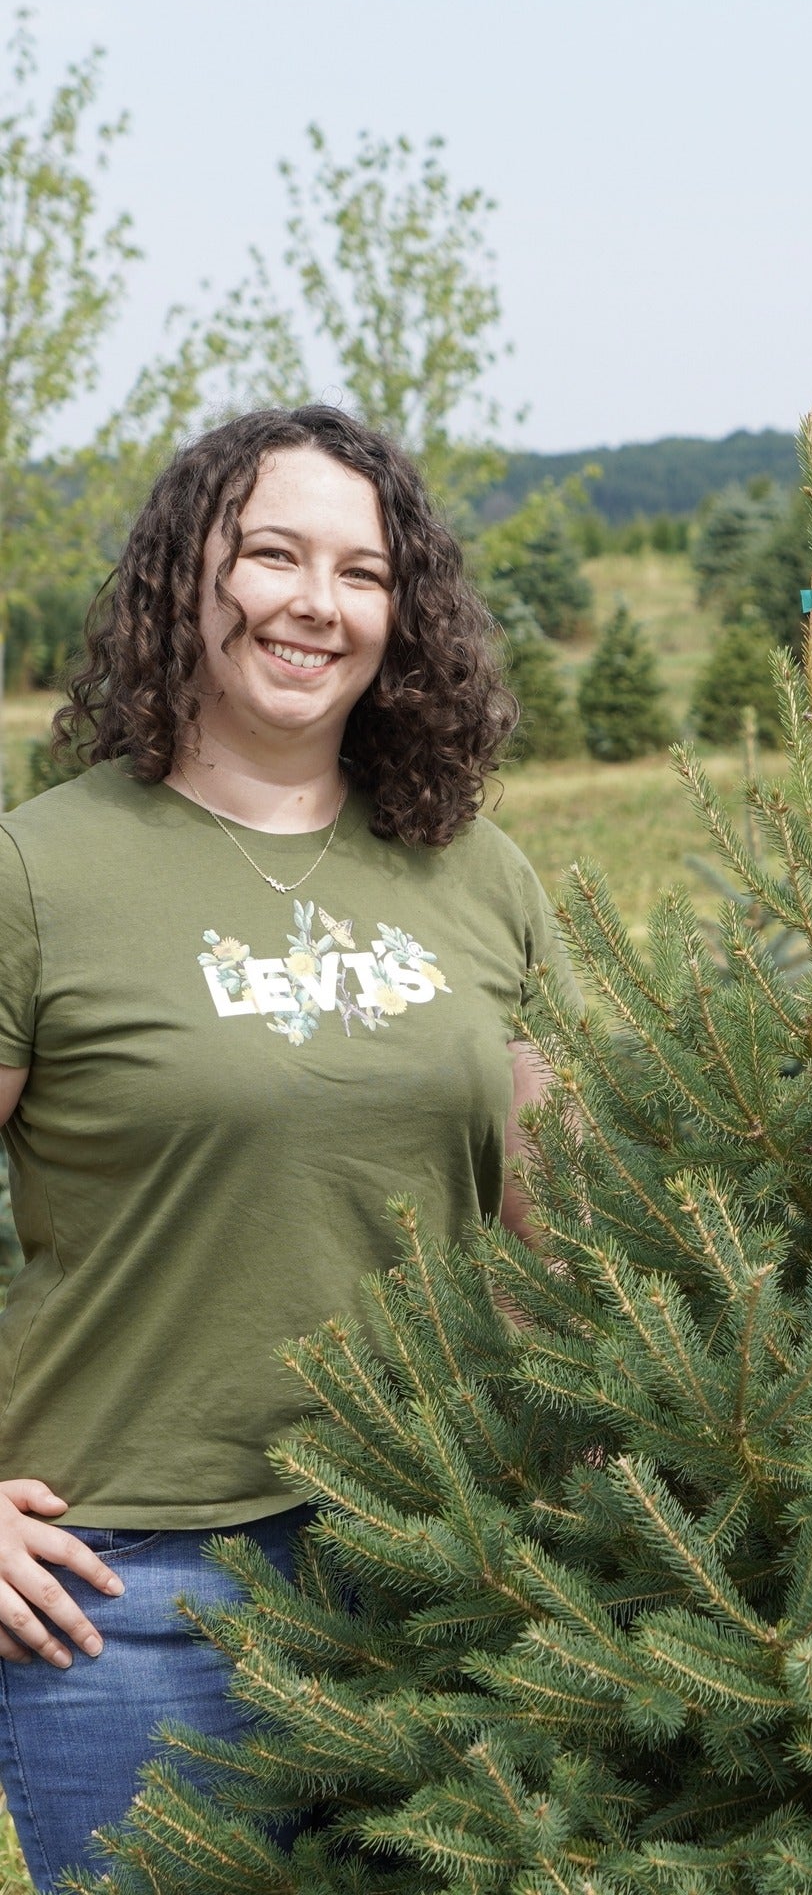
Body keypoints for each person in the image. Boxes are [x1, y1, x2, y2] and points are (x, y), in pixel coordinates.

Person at [0, 406, 574, 1891]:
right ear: (182, 581)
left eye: (362, 572)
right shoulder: (39, 870)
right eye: (272, 554)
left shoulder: (476, 872)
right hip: (126, 1583)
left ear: (406, 614)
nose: (317, 605)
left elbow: (561, 1224)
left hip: (442, 1552)